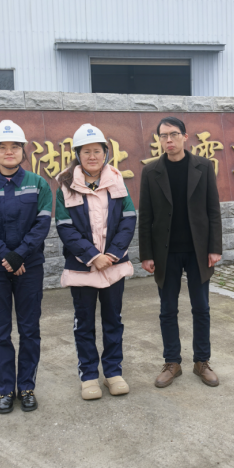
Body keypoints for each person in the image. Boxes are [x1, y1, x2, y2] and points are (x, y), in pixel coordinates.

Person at [0, 120, 52, 414]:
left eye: (15, 146)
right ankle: (5, 390)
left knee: (29, 329)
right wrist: (7, 256)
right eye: (2, 147)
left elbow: (42, 224)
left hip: (30, 266)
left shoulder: (38, 185)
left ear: (23, 150)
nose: (9, 151)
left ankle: (26, 387)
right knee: (0, 331)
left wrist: (20, 255)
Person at [139, 116, 223, 388]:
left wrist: (215, 247)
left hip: (198, 251)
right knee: (167, 309)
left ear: (185, 136)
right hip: (165, 253)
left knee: (201, 308)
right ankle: (172, 362)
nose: (169, 140)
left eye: (174, 134)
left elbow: (213, 210)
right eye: (163, 136)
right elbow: (146, 216)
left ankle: (202, 362)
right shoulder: (151, 171)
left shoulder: (203, 167)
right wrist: (146, 254)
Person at [55, 124, 136, 400]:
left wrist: (111, 255)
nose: (92, 156)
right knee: (84, 323)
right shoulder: (66, 185)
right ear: (77, 154)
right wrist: (93, 256)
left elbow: (128, 220)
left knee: (113, 320)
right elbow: (65, 227)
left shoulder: (116, 180)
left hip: (113, 265)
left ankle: (113, 373)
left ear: (105, 153)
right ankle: (88, 375)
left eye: (97, 151)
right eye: (86, 151)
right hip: (83, 268)